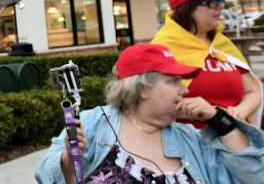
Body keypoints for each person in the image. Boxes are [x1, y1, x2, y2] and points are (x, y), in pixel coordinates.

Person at [35, 43, 264, 184]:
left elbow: (256, 176)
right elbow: (47, 177)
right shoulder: (93, 122)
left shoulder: (191, 138)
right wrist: (71, 155)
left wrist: (220, 121)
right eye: (173, 81)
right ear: (142, 89)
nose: (185, 90)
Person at [151, 0, 263, 128]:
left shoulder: (223, 44)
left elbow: (252, 92)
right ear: (188, 8)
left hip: (234, 140)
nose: (220, 6)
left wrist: (238, 112)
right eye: (211, 2)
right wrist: (210, 114)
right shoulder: (162, 48)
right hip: (186, 144)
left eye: (220, 0)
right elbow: (151, 103)